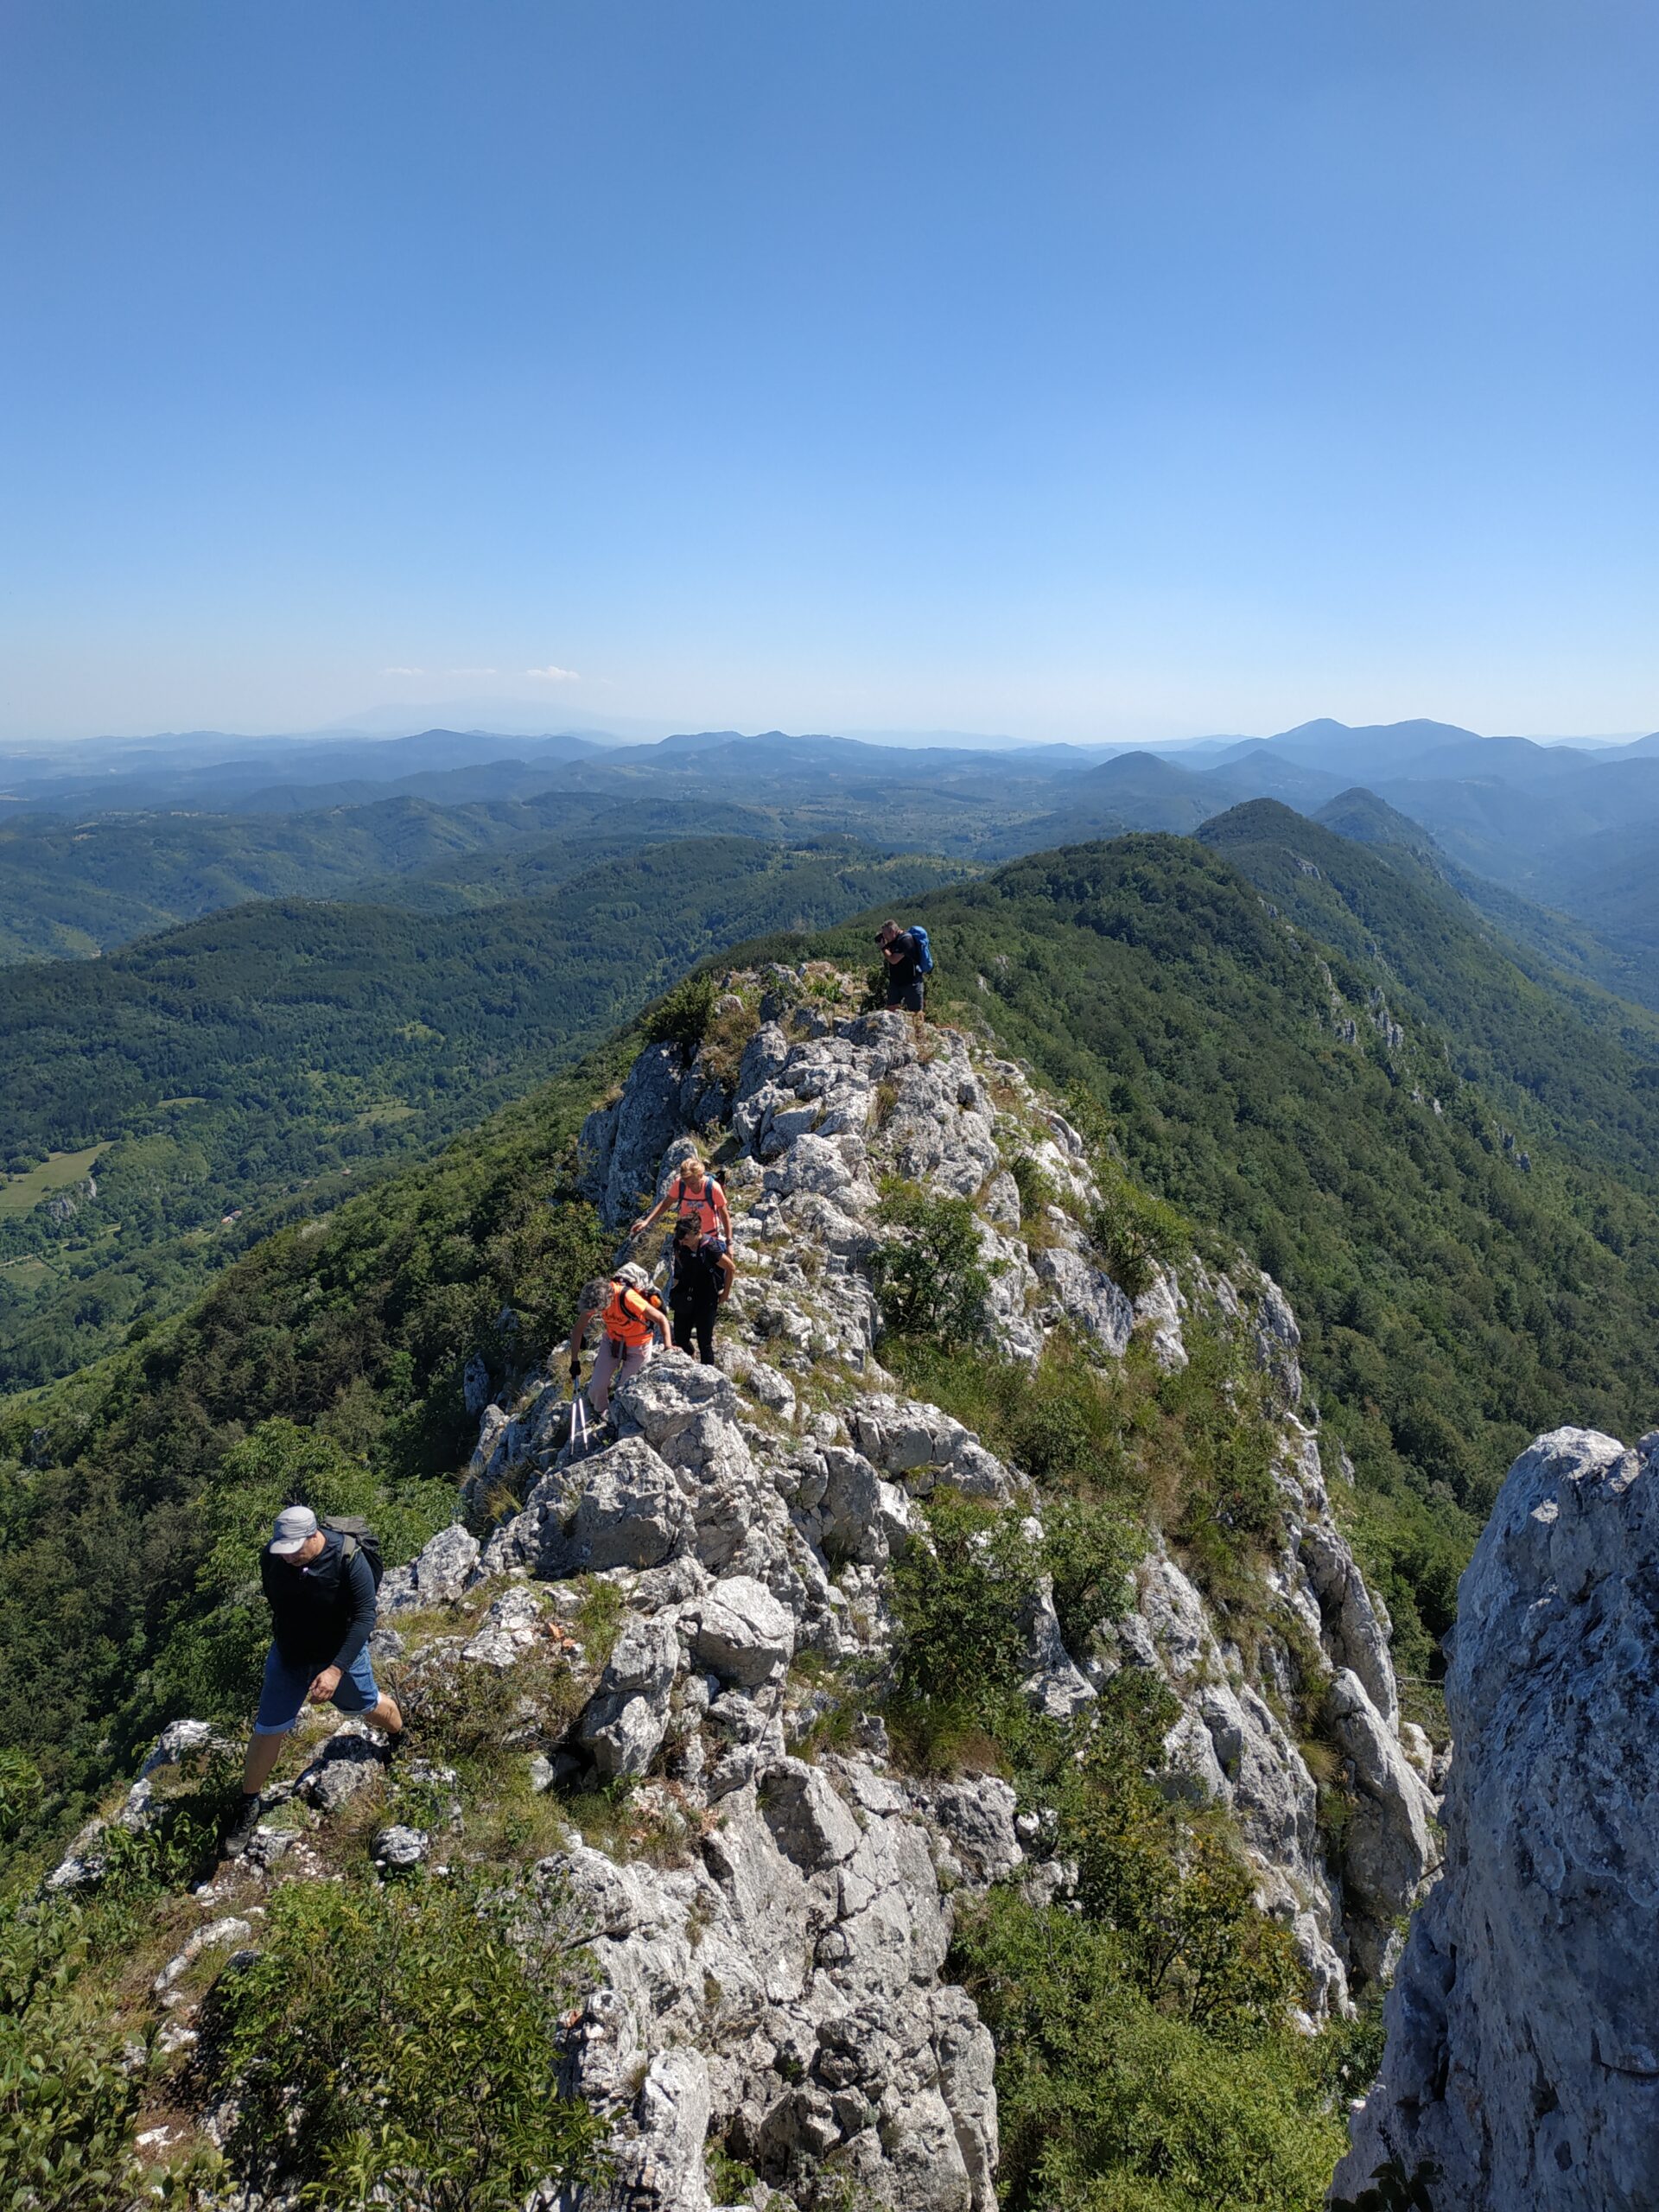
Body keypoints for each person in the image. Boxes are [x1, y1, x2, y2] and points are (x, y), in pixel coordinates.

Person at [223, 1504, 403, 1851]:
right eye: (282, 1550)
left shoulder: (349, 1559)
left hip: (340, 1656)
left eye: (294, 1550)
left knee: (367, 1705)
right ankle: (248, 1805)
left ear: (314, 1535)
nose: (287, 1557)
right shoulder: (273, 1558)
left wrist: (335, 1670)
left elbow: (365, 1617)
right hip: (289, 1655)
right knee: (267, 1728)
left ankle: (401, 1736)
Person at [567, 1262, 672, 1416]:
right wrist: (574, 1361)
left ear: (607, 1302)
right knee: (596, 1390)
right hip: (612, 1342)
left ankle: (617, 1418)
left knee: (626, 1392)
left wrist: (668, 1346)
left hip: (638, 1345)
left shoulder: (628, 1297)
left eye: (598, 1311)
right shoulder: (595, 1297)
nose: (595, 1314)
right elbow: (578, 1330)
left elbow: (661, 1319)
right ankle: (603, 1415)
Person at [630, 1151, 733, 1250]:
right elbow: (665, 1204)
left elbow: (724, 1216)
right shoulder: (680, 1184)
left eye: (692, 1183)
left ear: (700, 1176)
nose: (689, 1186)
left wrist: (729, 1243)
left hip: (709, 1236)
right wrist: (646, 1222)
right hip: (686, 1238)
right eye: (686, 1182)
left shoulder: (713, 1188)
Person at [669, 1211, 734, 1363]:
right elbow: (680, 1264)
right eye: (681, 1239)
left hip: (707, 1298)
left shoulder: (710, 1248)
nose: (683, 1242)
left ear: (697, 1233)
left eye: (686, 1239)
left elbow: (731, 1268)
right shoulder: (680, 1243)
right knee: (680, 1338)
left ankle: (708, 1377)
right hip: (686, 1293)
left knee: (705, 1342)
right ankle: (690, 1356)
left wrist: (725, 1294)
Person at [876, 918, 927, 1016]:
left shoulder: (906, 940)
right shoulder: (893, 941)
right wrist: (885, 944)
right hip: (896, 982)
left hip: (911, 982)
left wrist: (883, 947)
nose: (885, 937)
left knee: (916, 1013)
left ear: (892, 931)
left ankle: (918, 1031)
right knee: (891, 1009)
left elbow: (893, 960)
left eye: (885, 934)